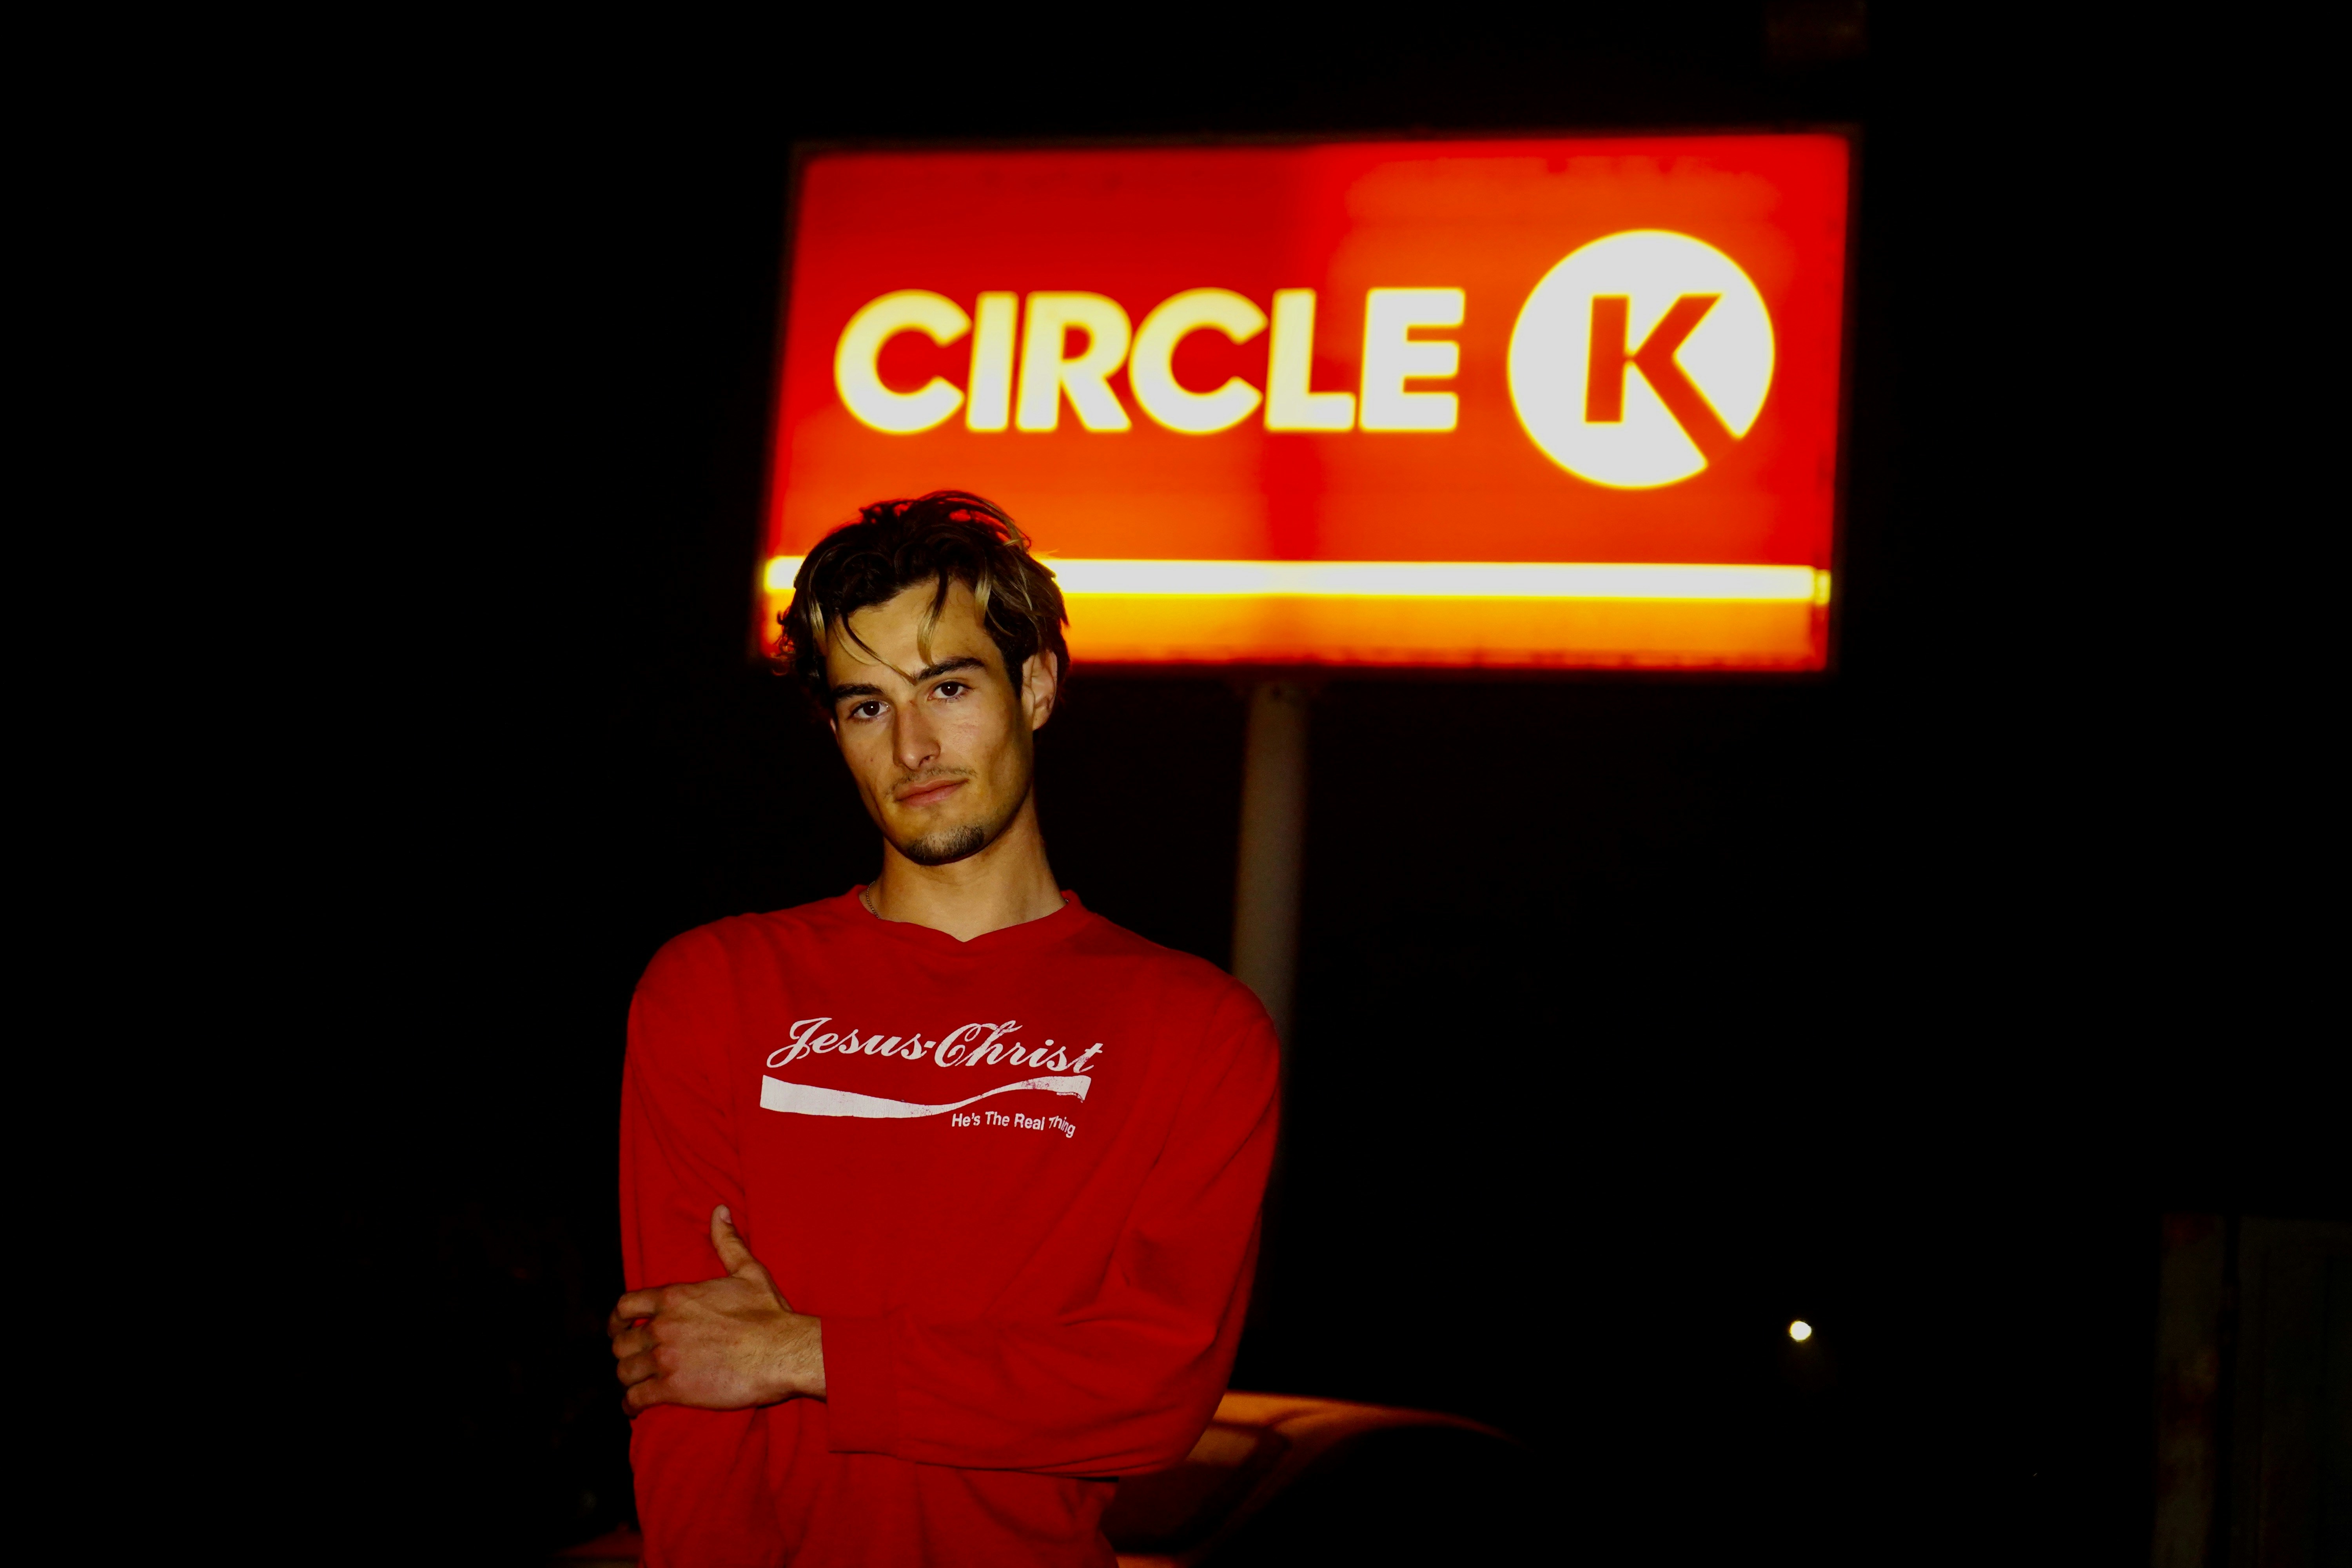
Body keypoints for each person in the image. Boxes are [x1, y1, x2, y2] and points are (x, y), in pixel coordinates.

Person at [607, 492, 1282, 1566]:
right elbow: (688, 1381)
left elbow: (1152, 1395)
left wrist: (804, 1354)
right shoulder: (715, 988)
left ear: (1038, 688)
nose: (913, 745)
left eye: (949, 687)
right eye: (867, 707)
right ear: (832, 730)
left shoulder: (1194, 1029)